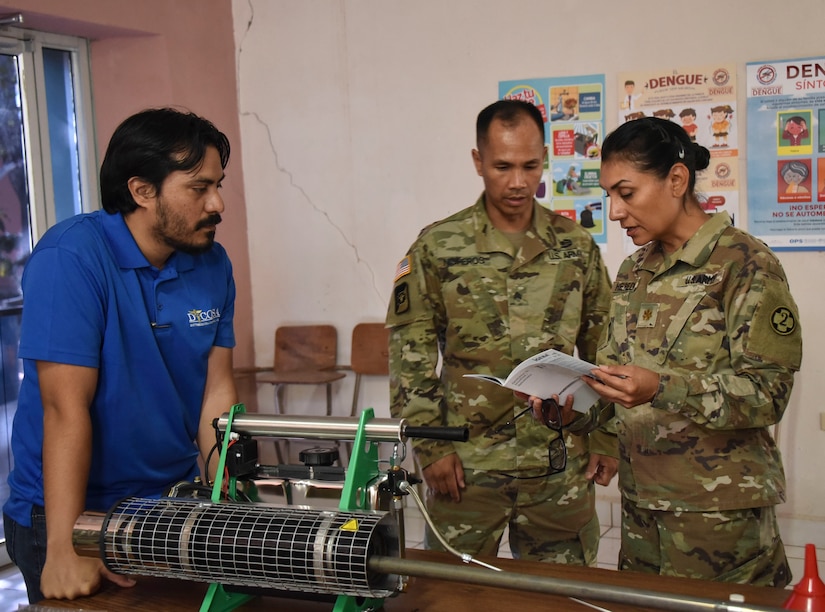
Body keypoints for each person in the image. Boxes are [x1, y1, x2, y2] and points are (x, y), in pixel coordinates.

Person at [2, 107, 238, 602]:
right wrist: (67, 547)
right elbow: (63, 409)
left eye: (218, 184)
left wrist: (226, 502)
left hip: (167, 502)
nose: (217, 203)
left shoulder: (211, 262)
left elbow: (215, 391)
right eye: (199, 188)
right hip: (73, 511)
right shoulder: (71, 258)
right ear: (142, 191)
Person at [386, 99, 615, 565]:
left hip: (558, 459)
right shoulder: (437, 247)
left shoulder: (575, 247)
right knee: (461, 596)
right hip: (467, 464)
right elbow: (410, 356)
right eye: (502, 166)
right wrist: (430, 448)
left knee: (559, 598)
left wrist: (608, 437)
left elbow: (604, 349)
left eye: (530, 166)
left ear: (545, 158)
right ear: (478, 162)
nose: (517, 182)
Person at [581, 116, 801, 586]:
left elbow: (768, 393)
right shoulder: (633, 270)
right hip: (641, 514)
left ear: (676, 180)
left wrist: (662, 388)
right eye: (608, 196)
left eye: (627, 193)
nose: (615, 212)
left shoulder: (745, 264)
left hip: (720, 523)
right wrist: (563, 403)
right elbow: (614, 381)